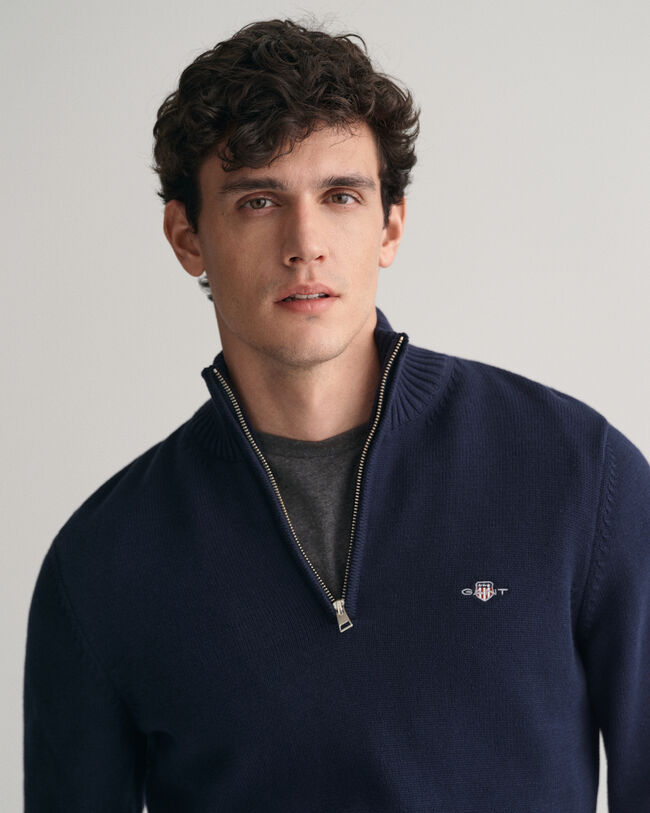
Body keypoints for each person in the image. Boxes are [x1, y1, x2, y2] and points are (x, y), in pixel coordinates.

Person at [23, 18, 649, 813]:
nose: (305, 243)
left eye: (341, 196)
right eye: (258, 200)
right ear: (187, 236)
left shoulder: (578, 476)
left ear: (390, 224)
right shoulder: (104, 562)